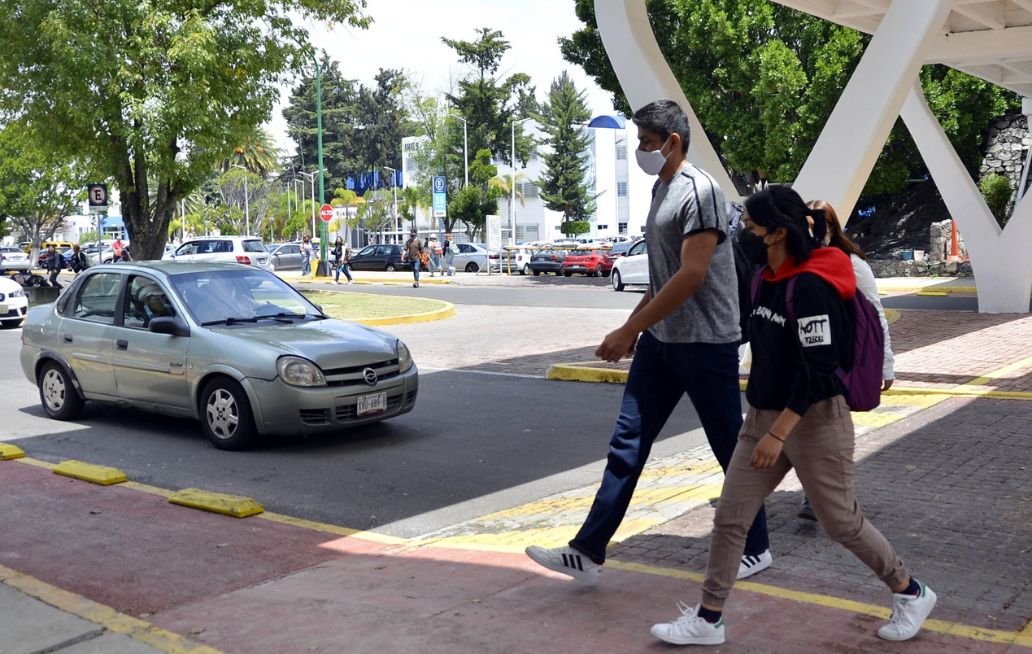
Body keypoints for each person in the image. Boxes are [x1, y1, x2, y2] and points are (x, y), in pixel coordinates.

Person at [649, 186, 936, 647]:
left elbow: (819, 371)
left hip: (814, 420)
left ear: (777, 231)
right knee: (730, 518)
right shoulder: (765, 277)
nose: (742, 231)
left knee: (841, 521)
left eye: (750, 224)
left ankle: (911, 591)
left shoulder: (811, 287)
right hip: (763, 418)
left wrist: (778, 435)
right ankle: (709, 618)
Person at [524, 99, 772, 585]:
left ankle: (757, 547)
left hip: (705, 342)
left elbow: (693, 276)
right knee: (627, 444)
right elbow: (662, 281)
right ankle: (588, 551)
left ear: (672, 141)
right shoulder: (662, 189)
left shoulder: (699, 191)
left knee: (728, 447)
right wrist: (632, 327)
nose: (640, 151)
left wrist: (631, 330)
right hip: (663, 341)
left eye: (645, 142)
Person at [796, 199, 897, 522]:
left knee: (828, 428)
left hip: (842, 361)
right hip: (807, 361)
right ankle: (818, 495)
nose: (813, 233)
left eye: (817, 226)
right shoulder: (800, 261)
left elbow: (876, 314)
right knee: (810, 430)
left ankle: (826, 497)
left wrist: (886, 364)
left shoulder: (851, 263)